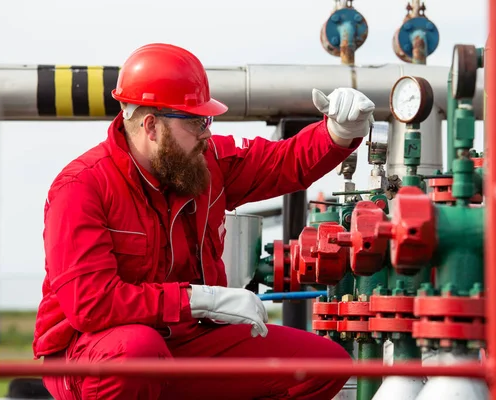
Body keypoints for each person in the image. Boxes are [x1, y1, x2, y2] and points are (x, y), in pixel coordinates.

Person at [33, 43, 375, 400]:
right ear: (151, 126)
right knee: (137, 353)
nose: (207, 133)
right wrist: (201, 299)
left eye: (207, 120)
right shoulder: (82, 187)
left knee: (322, 366)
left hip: (186, 339)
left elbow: (284, 162)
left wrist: (336, 132)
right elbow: (92, 304)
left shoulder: (203, 164)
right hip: (92, 353)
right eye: (197, 121)